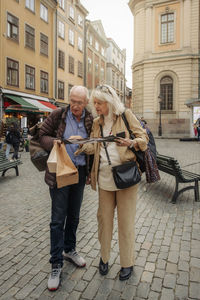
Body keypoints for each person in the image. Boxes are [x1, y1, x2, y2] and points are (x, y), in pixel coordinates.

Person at [75, 84, 148, 281]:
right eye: (95, 103)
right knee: (104, 223)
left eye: (99, 103)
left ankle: (127, 263)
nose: (96, 106)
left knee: (126, 224)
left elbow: (144, 138)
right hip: (105, 179)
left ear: (109, 102)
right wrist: (81, 143)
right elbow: (94, 148)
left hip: (126, 179)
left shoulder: (126, 115)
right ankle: (104, 258)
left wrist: (131, 143)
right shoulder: (97, 123)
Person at [39, 86, 93, 291]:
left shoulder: (90, 119)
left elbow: (94, 146)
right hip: (60, 172)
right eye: (72, 101)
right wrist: (59, 142)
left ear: (86, 102)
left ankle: (70, 250)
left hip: (78, 173)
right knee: (57, 220)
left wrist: (90, 171)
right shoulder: (58, 115)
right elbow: (41, 137)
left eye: (79, 102)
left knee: (75, 216)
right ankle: (56, 264)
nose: (75, 106)